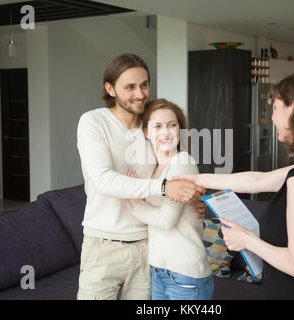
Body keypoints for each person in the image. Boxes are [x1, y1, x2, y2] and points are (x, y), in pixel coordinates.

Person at [174, 71, 294, 299]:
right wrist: (197, 179)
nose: (272, 117)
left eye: (276, 108)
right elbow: (259, 181)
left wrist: (246, 240)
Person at [76, 54, 206, 300]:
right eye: (130, 87)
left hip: (149, 246)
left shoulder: (152, 126)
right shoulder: (93, 122)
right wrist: (166, 187)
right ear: (110, 88)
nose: (140, 93)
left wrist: (193, 198)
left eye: (144, 85)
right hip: (103, 245)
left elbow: (175, 170)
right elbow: (104, 180)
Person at [126, 98, 213, 300]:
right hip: (158, 272)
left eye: (172, 125)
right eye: (157, 126)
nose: (165, 132)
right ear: (146, 132)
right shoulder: (152, 170)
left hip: (185, 275)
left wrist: (135, 202)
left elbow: (166, 220)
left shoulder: (182, 162)